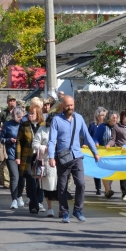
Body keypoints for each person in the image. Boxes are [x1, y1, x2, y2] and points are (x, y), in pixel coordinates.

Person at [47, 95, 99, 223]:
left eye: (71, 105)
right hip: (63, 158)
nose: (69, 108)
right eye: (67, 106)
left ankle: (77, 210)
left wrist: (95, 153)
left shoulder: (79, 118)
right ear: (62, 106)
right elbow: (52, 140)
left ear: (74, 104)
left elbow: (87, 136)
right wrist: (51, 157)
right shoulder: (56, 120)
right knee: (62, 187)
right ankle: (64, 212)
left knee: (81, 184)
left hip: (77, 156)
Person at [16, 105, 44, 214]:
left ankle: (36, 202)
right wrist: (18, 157)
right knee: (31, 180)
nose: (30, 115)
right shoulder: (24, 125)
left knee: (38, 180)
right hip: (27, 157)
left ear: (38, 114)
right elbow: (19, 141)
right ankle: (34, 205)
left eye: (32, 113)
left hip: (40, 156)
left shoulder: (43, 125)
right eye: (29, 113)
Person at [0, 107, 25, 208]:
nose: (21, 119)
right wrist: (9, 140)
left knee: (22, 177)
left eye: (22, 116)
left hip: (23, 154)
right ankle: (14, 199)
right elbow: (0, 139)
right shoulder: (8, 125)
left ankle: (19, 196)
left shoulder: (25, 124)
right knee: (15, 176)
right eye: (19, 117)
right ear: (14, 116)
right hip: (11, 154)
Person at [108, 109, 126, 202]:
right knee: (123, 173)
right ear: (122, 117)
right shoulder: (117, 127)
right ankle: (125, 193)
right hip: (121, 152)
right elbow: (112, 139)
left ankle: (124, 188)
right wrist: (109, 145)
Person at [34, 114, 57, 217]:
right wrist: (44, 148)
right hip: (46, 162)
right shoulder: (42, 130)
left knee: (60, 186)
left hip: (60, 161)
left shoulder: (62, 130)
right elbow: (34, 144)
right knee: (48, 187)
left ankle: (62, 208)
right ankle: (50, 208)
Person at [94, 110, 118, 199]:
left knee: (111, 172)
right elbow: (95, 137)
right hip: (103, 152)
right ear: (109, 119)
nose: (115, 119)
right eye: (113, 118)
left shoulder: (117, 127)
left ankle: (107, 189)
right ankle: (108, 189)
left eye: (116, 118)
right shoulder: (102, 127)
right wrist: (96, 142)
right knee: (104, 171)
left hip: (114, 153)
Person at [89, 107, 107, 196]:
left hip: (105, 150)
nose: (104, 117)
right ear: (97, 116)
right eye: (102, 115)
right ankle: (98, 188)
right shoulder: (93, 126)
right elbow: (88, 137)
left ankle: (108, 188)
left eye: (105, 115)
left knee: (105, 169)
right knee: (96, 169)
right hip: (95, 150)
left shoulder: (106, 126)